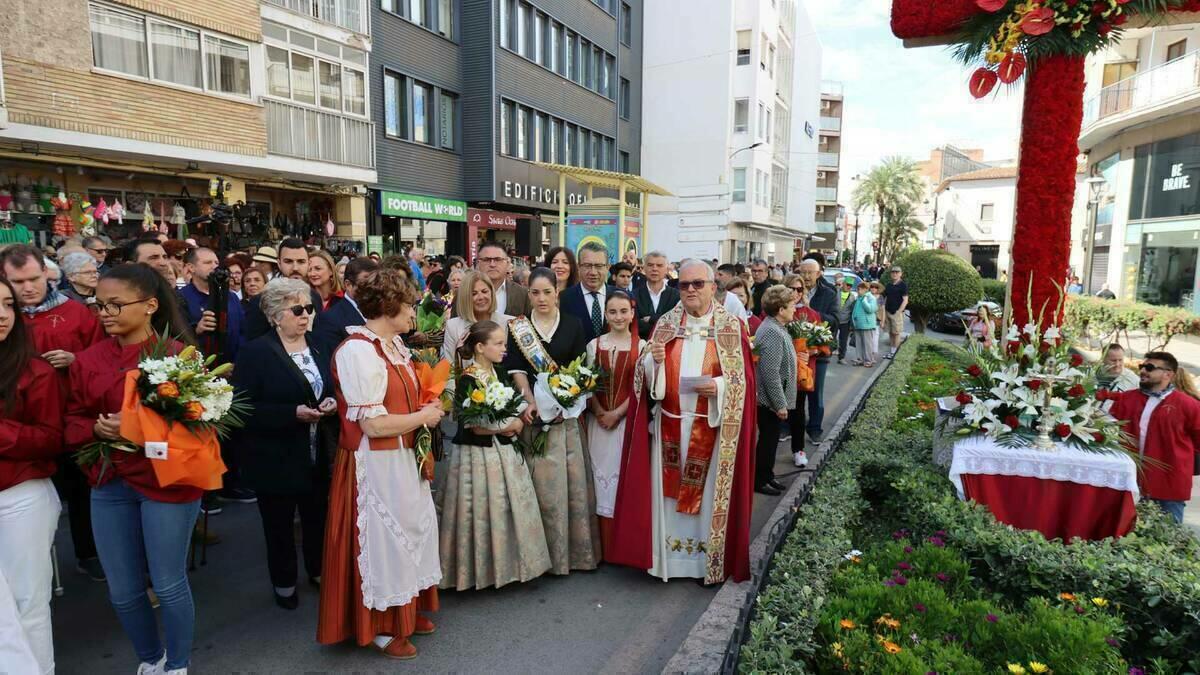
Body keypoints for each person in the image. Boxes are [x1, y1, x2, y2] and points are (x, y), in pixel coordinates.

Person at [65, 263, 200, 674]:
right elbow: (70, 420)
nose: (105, 312)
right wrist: (93, 427)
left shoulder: (180, 358)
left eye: (115, 304)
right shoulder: (86, 361)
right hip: (108, 483)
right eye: (98, 304)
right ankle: (150, 659)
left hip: (167, 483)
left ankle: (177, 664)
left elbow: (201, 423)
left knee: (168, 582)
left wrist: (138, 428)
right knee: (123, 591)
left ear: (150, 306)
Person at [317, 268, 444, 660]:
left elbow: (402, 400)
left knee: (413, 530)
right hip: (374, 464)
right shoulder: (358, 350)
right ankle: (381, 626)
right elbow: (372, 424)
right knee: (383, 541)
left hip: (402, 457)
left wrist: (426, 407)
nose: (414, 314)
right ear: (389, 307)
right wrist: (425, 418)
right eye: (409, 305)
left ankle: (405, 606)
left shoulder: (394, 346)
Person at [608, 259, 755, 584]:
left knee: (705, 501)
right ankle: (668, 562)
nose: (689, 290)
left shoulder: (731, 327)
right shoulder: (666, 324)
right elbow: (644, 378)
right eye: (684, 285)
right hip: (670, 427)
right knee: (668, 500)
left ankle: (705, 563)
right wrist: (653, 364)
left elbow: (743, 380)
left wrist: (717, 386)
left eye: (697, 284)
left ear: (712, 287)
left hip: (712, 429)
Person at [2, 245, 106, 582]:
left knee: (80, 491)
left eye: (34, 278)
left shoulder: (77, 313)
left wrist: (76, 361)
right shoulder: (8, 317)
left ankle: (88, 552)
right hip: (22, 429)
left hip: (70, 415)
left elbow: (100, 357)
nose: (28, 287)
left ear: (48, 274)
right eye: (18, 282)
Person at [233, 278, 336, 611]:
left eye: (308, 308)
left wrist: (332, 402)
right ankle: (284, 582)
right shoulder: (255, 352)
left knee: (316, 517)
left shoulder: (319, 343)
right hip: (274, 456)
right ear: (276, 316)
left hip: (317, 451)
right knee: (278, 525)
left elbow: (333, 386)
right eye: (297, 310)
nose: (306, 315)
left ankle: (319, 571)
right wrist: (291, 413)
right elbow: (243, 408)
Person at [440, 321, 551, 590]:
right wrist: (509, 425)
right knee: (478, 510)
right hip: (478, 454)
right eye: (499, 344)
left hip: (501, 450)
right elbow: (471, 424)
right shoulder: (468, 378)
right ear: (480, 347)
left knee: (504, 507)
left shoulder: (497, 372)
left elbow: (507, 402)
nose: (504, 349)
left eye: (504, 343)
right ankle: (478, 572)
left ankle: (508, 567)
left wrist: (520, 412)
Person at [503, 268, 599, 574]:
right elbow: (516, 368)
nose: (541, 298)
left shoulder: (573, 324)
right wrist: (529, 401)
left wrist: (564, 402)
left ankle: (568, 555)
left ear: (557, 292)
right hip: (532, 417)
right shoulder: (518, 327)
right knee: (537, 488)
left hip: (564, 419)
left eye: (547, 292)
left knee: (566, 490)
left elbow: (580, 369)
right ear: (528, 293)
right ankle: (535, 558)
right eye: (535, 292)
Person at [0, 276, 65, 675]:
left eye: (8, 304)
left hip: (20, 498)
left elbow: (49, 439)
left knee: (28, 604)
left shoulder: (34, 371)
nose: (2, 315)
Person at [1107, 352, 1200, 524]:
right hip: (1128, 481)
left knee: (1169, 539)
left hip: (1168, 486)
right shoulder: (1126, 399)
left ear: (1168, 374)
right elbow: (1108, 431)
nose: (1143, 371)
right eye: (1142, 367)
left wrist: (1180, 460)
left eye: (1149, 368)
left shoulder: (1189, 405)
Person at [585, 291, 644, 553]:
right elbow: (586, 386)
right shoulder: (593, 345)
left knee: (622, 479)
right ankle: (601, 547)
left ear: (632, 314)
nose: (618, 317)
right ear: (605, 315)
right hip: (597, 424)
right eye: (613, 312)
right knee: (597, 480)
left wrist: (616, 414)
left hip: (625, 424)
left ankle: (620, 545)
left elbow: (641, 389)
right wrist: (599, 412)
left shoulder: (642, 347)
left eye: (623, 311)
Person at [753, 285, 797, 496]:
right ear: (780, 309)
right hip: (768, 401)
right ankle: (760, 480)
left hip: (771, 400)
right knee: (768, 442)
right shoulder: (772, 331)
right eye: (791, 306)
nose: (795, 309)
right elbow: (770, 372)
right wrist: (780, 404)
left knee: (770, 440)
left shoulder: (776, 327)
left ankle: (767, 475)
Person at [244, 239, 323, 341]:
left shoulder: (315, 296)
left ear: (308, 263)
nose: (295, 268)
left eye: (301, 261)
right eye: (288, 261)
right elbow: (254, 345)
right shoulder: (259, 302)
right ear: (279, 263)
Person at [179, 247, 244, 365]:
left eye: (216, 263)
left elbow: (242, 332)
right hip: (198, 369)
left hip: (233, 368)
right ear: (191, 268)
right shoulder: (181, 297)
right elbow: (177, 336)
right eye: (207, 262)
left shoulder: (231, 297)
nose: (214, 266)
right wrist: (197, 329)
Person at [798, 259, 836, 444]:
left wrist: (812, 312)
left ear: (818, 273)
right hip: (796, 351)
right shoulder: (793, 291)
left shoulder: (828, 293)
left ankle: (814, 429)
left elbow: (835, 320)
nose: (805, 276)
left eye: (809, 272)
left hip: (818, 352)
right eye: (802, 272)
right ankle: (789, 428)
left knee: (816, 393)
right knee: (795, 393)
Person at [784, 274, 820, 468]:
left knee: (798, 412)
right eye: (792, 289)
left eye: (800, 289)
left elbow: (823, 344)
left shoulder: (812, 314)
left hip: (800, 374)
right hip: (779, 372)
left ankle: (798, 449)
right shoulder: (775, 313)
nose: (796, 293)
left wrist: (813, 350)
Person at [441, 271, 511, 363]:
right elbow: (448, 366)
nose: (480, 297)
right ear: (465, 298)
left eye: (484, 291)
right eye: (474, 293)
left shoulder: (509, 323)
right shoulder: (452, 326)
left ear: (491, 293)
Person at [560, 242, 615, 345]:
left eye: (599, 266)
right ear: (578, 267)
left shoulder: (621, 297)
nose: (593, 272)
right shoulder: (564, 299)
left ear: (608, 267)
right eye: (587, 265)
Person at [474, 242, 530, 317]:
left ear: (507, 263)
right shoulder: (464, 293)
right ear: (478, 263)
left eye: (498, 259)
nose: (492, 264)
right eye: (487, 260)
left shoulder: (522, 294)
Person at [634, 251, 679, 337]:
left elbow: (676, 323)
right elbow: (634, 325)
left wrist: (651, 319)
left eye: (659, 265)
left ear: (666, 270)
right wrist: (663, 323)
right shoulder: (633, 295)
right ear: (644, 268)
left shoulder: (676, 296)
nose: (654, 269)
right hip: (641, 345)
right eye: (650, 265)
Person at [882, 265, 908, 359]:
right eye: (893, 272)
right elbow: (883, 297)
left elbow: (905, 300)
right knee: (891, 332)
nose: (895, 274)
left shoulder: (903, 285)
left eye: (897, 272)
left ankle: (895, 353)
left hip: (897, 313)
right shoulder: (889, 285)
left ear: (901, 274)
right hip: (888, 311)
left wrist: (899, 311)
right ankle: (892, 352)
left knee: (896, 333)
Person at [850, 281, 879, 367]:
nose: (858, 291)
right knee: (859, 343)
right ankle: (860, 359)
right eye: (858, 289)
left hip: (867, 324)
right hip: (858, 324)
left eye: (860, 289)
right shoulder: (859, 298)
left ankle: (868, 360)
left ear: (866, 289)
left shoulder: (870, 298)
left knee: (867, 344)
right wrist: (853, 320)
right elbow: (855, 310)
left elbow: (871, 309)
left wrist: (864, 300)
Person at [833, 278, 856, 365]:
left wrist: (852, 325)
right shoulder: (835, 292)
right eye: (847, 284)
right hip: (835, 319)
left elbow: (853, 311)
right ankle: (826, 355)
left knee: (843, 340)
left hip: (845, 321)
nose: (849, 287)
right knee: (831, 338)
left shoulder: (852, 296)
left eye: (851, 285)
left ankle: (841, 357)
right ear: (843, 284)